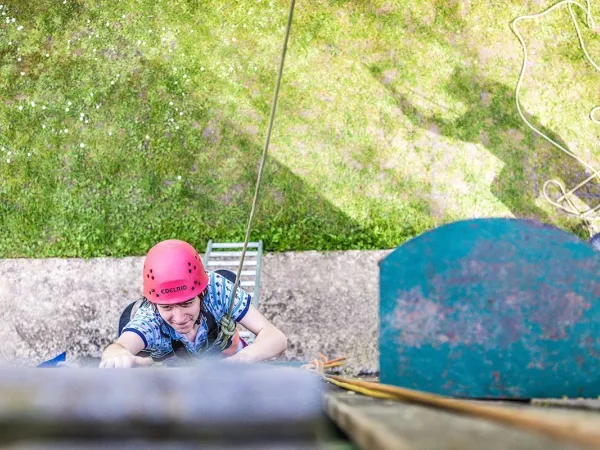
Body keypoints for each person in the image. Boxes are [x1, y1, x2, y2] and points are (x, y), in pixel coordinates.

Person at [99, 239, 287, 368]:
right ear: (154, 304)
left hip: (227, 354)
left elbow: (275, 337)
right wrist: (118, 355)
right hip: (177, 376)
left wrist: (241, 360)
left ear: (203, 293)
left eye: (187, 303)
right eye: (167, 307)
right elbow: (117, 348)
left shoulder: (217, 290)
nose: (180, 318)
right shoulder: (150, 319)